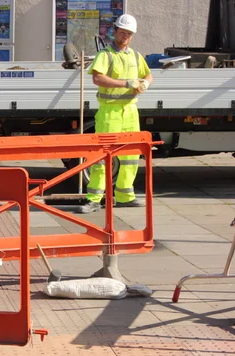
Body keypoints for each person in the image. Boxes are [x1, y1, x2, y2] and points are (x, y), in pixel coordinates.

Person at [77, 14, 154, 214]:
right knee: (102, 157)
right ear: (115, 31)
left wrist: (145, 82)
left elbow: (148, 73)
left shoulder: (135, 56)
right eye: (122, 32)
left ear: (132, 35)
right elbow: (98, 79)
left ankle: (125, 196)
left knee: (130, 156)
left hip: (130, 111)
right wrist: (126, 84)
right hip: (109, 111)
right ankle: (94, 199)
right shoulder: (106, 55)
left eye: (128, 34)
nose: (125, 37)